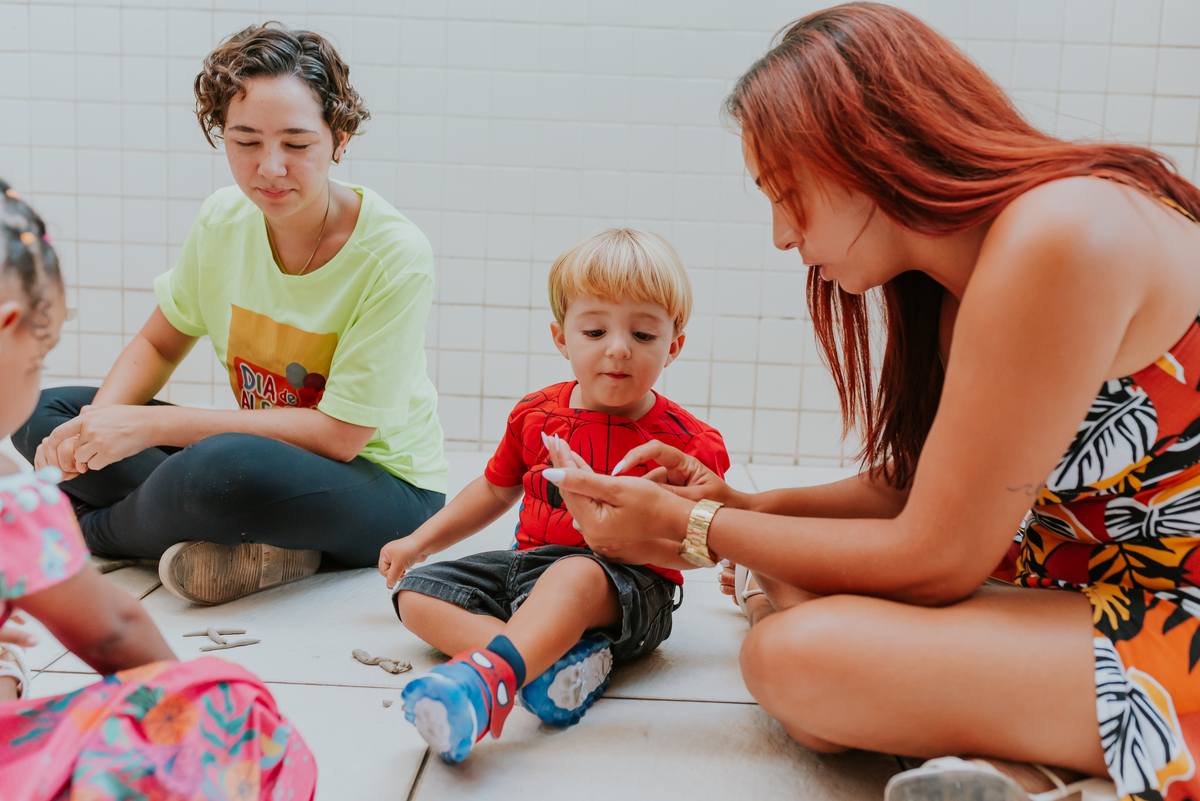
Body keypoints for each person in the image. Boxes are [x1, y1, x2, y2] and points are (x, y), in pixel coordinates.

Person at [542, 6, 1200, 801]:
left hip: (1168, 608)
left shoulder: (1057, 235)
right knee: (793, 591)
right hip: (1083, 579)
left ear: (864, 151)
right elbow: (924, 478)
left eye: (785, 192)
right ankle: (1023, 773)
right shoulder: (976, 273)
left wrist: (698, 528)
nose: (783, 234)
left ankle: (1023, 767)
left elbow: (937, 556)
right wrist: (749, 505)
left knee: (795, 654)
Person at [13, 24, 447, 607]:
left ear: (338, 139)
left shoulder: (395, 254)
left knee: (224, 468)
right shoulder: (223, 220)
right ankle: (242, 538)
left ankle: (89, 533)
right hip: (264, 461)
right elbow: (161, 344)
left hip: (383, 485)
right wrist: (101, 423)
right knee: (43, 411)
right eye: (246, 142)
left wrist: (149, 427)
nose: (270, 168)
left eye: (296, 144)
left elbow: (340, 437)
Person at [0, 181, 316, 800]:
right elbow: (113, 632)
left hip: (338, 471)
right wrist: (194, 709)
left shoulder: (386, 251)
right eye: (38, 359)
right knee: (235, 706)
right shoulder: (13, 503)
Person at [378, 229, 729, 763]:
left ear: (673, 346)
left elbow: (704, 546)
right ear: (561, 338)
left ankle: (494, 678)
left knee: (576, 573)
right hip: (530, 567)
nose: (617, 348)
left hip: (629, 591)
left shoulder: (689, 445)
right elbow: (496, 488)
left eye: (643, 334)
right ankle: (550, 661)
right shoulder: (536, 414)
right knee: (417, 594)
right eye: (594, 330)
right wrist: (418, 541)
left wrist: (625, 544)